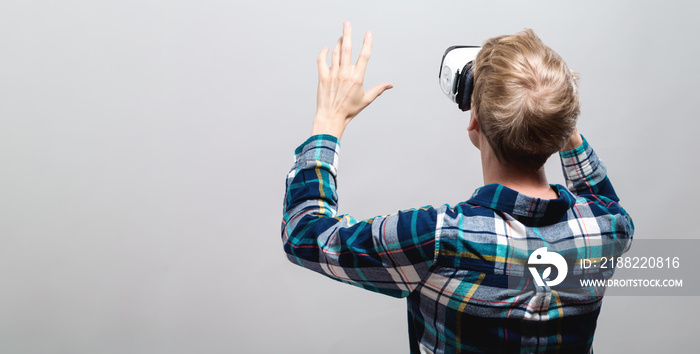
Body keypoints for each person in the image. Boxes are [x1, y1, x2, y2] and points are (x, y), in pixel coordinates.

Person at [281, 22, 633, 353]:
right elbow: (601, 198)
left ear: (474, 122)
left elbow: (304, 234)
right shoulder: (604, 230)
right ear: (562, 127)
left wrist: (327, 124)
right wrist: (554, 112)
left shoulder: (436, 239)